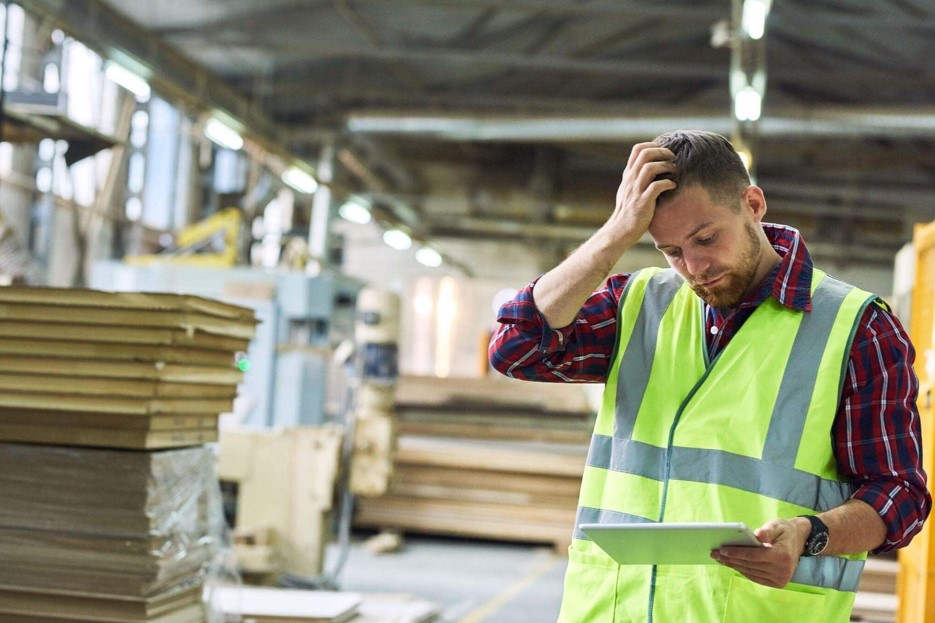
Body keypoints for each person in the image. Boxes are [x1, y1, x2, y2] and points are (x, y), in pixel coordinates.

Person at [488, 131, 930, 623]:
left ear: (753, 203)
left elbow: (899, 494)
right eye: (672, 251)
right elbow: (516, 348)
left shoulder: (856, 327)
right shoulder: (636, 306)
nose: (694, 267)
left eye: (706, 238)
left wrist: (810, 534)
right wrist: (614, 234)